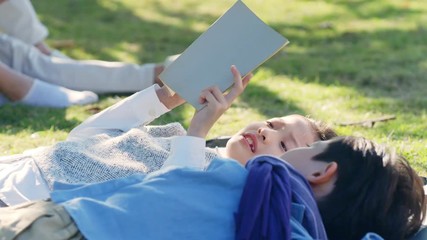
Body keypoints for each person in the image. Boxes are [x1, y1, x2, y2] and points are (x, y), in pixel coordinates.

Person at [0, 65, 337, 206]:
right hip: (20, 167)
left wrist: (199, 130)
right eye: (273, 124)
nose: (265, 132)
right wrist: (165, 98)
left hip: (30, 200)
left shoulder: (222, 184)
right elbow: (84, 139)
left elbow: (167, 199)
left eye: (282, 144)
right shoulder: (184, 141)